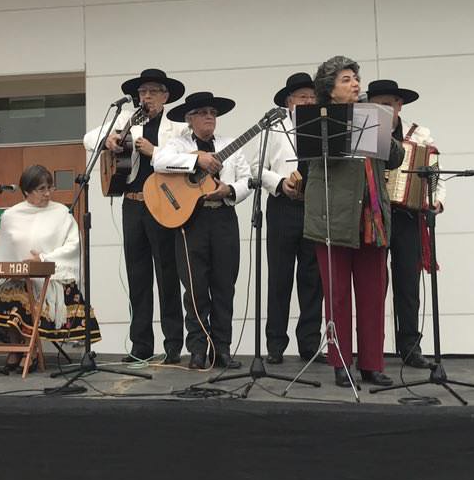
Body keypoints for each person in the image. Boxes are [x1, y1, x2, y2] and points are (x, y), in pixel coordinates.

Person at [301, 57, 404, 388]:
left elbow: (397, 158)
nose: (356, 84)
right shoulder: (316, 120)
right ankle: (340, 362)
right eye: (346, 80)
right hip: (333, 217)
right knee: (338, 296)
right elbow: (312, 158)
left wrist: (387, 129)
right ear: (329, 89)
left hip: (371, 216)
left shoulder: (371, 116)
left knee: (374, 293)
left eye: (356, 79)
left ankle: (372, 364)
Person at [84, 67, 186, 365]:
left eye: (153, 91)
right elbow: (88, 138)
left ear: (165, 96)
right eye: (142, 92)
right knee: (137, 276)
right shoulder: (129, 120)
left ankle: (173, 345)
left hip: (163, 205)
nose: (147, 97)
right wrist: (109, 141)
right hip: (132, 204)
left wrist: (155, 151)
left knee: (167, 275)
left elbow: (183, 160)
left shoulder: (177, 127)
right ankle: (141, 344)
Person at [153, 91, 252, 370]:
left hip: (223, 218)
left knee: (224, 286)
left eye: (213, 112)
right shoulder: (178, 144)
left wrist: (230, 189)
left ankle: (222, 348)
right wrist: (198, 160)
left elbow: (246, 179)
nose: (210, 116)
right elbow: (158, 162)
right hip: (192, 221)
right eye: (203, 112)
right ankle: (198, 349)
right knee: (195, 289)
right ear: (190, 118)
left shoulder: (230, 144)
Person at [366, 79, 447, 369]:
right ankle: (372, 351)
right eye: (377, 104)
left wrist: (434, 199)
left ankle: (411, 347)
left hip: (408, 218)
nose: (384, 109)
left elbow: (434, 172)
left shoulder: (419, 134)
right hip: (372, 216)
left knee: (408, 285)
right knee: (374, 285)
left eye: (389, 104)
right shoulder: (364, 134)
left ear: (399, 106)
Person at [0, 165, 99, 369]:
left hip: (53, 279)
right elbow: (3, 251)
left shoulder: (62, 212)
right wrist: (8, 272)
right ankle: (16, 348)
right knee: (9, 292)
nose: (47, 193)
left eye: (50, 188)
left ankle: (32, 351)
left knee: (24, 296)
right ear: (26, 191)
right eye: (41, 189)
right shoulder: (11, 216)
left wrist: (45, 258)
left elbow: (74, 245)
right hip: (20, 278)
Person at [256, 72, 323, 364]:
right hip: (283, 207)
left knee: (313, 278)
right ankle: (275, 345)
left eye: (312, 97)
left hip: (314, 207)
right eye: (302, 97)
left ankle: (309, 343)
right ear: (289, 102)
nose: (308, 101)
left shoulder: (323, 128)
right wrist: (281, 184)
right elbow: (256, 168)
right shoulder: (274, 128)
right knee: (280, 278)